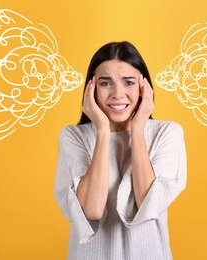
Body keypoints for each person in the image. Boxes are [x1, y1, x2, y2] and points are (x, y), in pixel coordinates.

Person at [55, 41, 187, 260]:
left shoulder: (167, 133)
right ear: (92, 88)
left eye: (128, 82)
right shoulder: (74, 136)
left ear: (143, 87)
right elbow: (92, 211)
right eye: (106, 83)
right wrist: (103, 131)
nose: (118, 93)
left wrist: (137, 129)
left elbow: (148, 205)